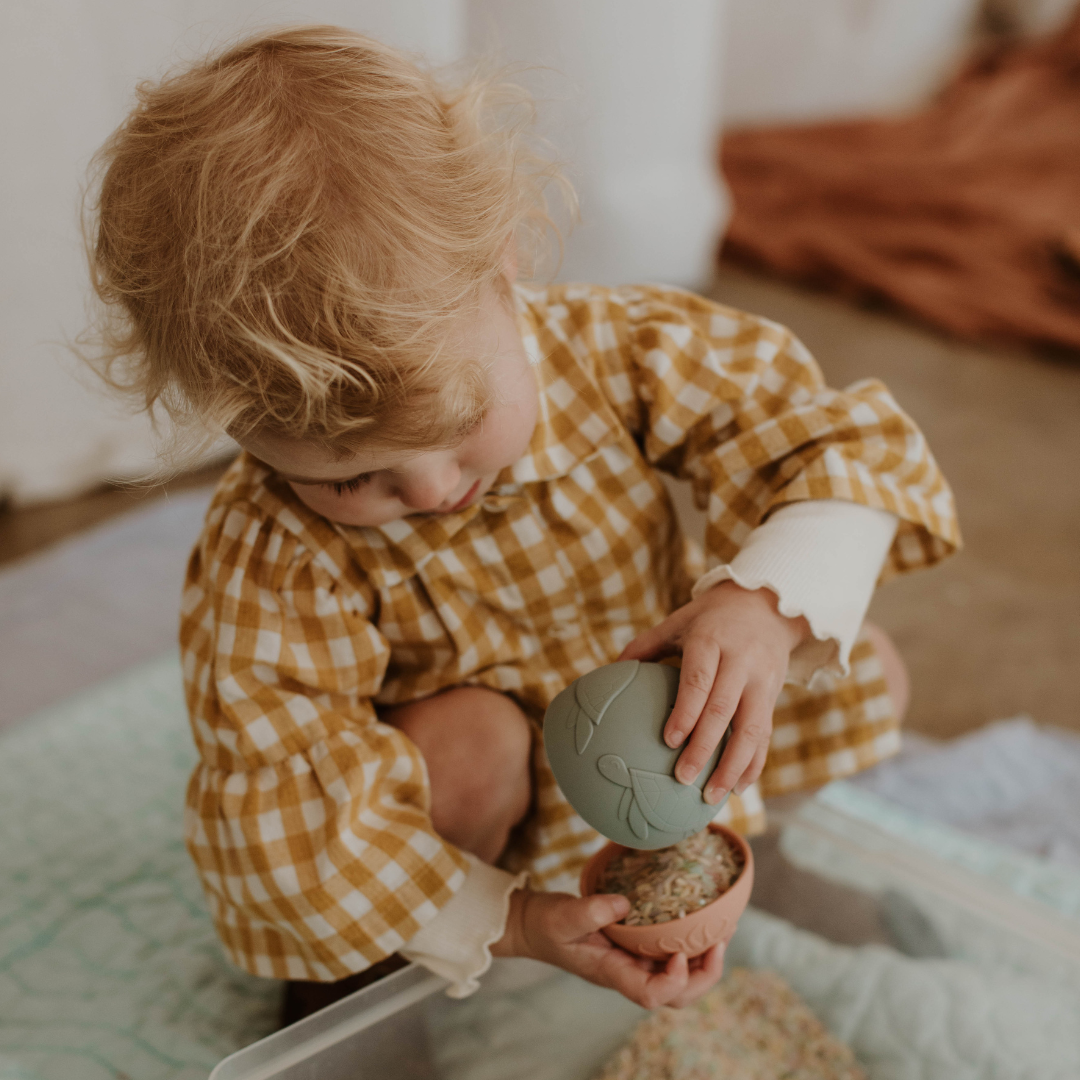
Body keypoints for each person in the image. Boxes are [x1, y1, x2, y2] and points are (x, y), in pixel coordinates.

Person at [83, 25, 959, 1011]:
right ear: (236, 428)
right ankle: (378, 984)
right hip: (467, 812)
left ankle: (749, 854)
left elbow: (834, 443)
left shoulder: (615, 347)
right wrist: (510, 920)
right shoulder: (272, 554)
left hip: (651, 716)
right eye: (351, 480)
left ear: (502, 266)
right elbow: (278, 794)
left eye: (458, 424)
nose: (425, 491)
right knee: (471, 748)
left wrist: (763, 604)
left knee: (855, 656)